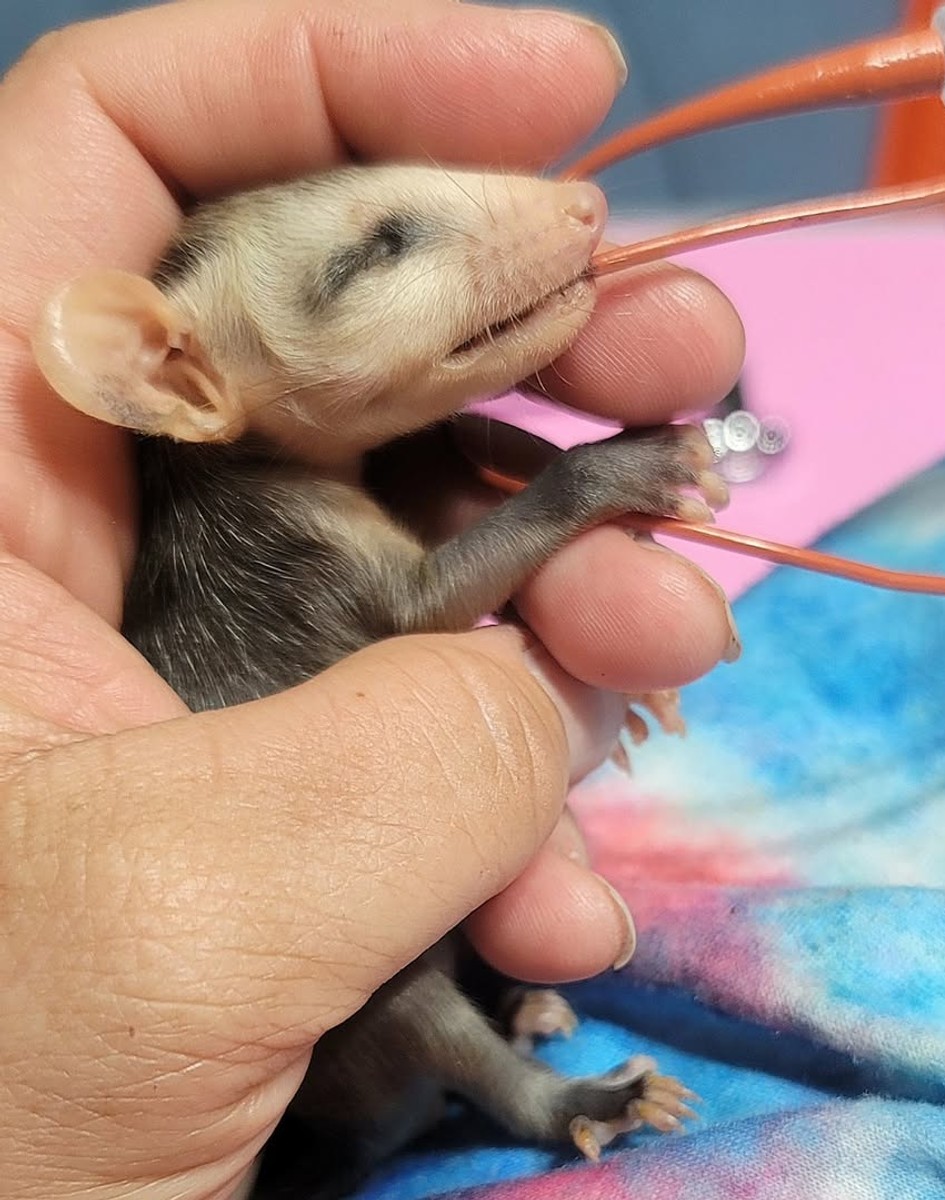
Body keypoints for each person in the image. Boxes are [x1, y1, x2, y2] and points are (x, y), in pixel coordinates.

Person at [0, 1, 745, 1196]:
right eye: (383, 249)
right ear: (182, 377)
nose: (574, 213)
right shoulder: (256, 531)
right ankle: (539, 1099)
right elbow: (416, 609)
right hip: (337, 1067)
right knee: (401, 987)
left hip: (351, 963)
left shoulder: (325, 473)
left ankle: (509, 992)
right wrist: (601, 477)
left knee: (474, 904)